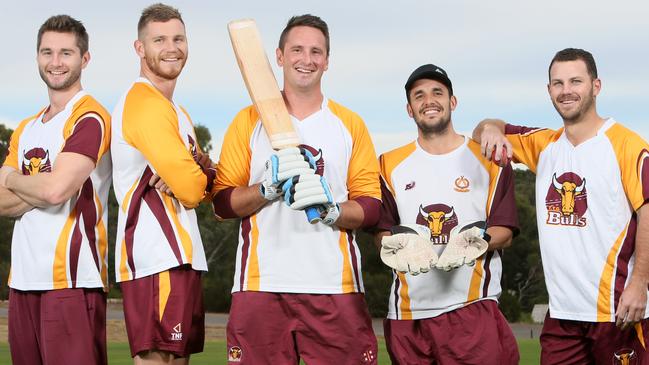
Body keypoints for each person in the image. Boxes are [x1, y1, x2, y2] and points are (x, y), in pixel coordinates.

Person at [213, 14, 381, 365]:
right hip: (261, 284)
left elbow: (371, 207)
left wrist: (333, 210)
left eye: (316, 51)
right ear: (279, 56)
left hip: (336, 287)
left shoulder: (350, 125)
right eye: (297, 50)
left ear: (327, 61)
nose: (307, 60)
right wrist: (267, 189)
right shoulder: (248, 121)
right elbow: (222, 203)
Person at [473, 48, 649, 364]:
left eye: (576, 81)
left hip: (616, 309)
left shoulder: (626, 144)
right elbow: (486, 128)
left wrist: (639, 286)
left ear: (596, 86)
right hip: (562, 315)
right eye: (558, 83)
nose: (566, 90)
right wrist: (488, 129)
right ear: (549, 90)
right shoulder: (545, 144)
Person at [374, 64, 520, 364]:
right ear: (409, 108)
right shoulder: (388, 164)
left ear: (452, 102)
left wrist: (472, 242)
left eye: (437, 92)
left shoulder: (489, 158)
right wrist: (399, 248)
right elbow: (381, 232)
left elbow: (505, 229)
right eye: (419, 95)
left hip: (471, 308)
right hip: (407, 314)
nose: (429, 100)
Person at [0, 15, 111, 365]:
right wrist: (42, 184)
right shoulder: (26, 127)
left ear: (85, 59)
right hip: (22, 281)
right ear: (37, 58)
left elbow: (55, 191)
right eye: (47, 52)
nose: (56, 62)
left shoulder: (90, 117)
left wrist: (10, 178)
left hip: (72, 280)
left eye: (66, 52)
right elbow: (4, 203)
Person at [111, 3, 215, 364]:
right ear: (140, 48)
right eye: (159, 40)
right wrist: (196, 177)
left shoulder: (178, 112)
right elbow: (190, 187)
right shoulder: (143, 102)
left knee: (178, 357)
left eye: (178, 38)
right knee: (159, 359)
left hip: (182, 254)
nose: (171, 47)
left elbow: (206, 180)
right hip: (155, 253)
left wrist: (198, 175)